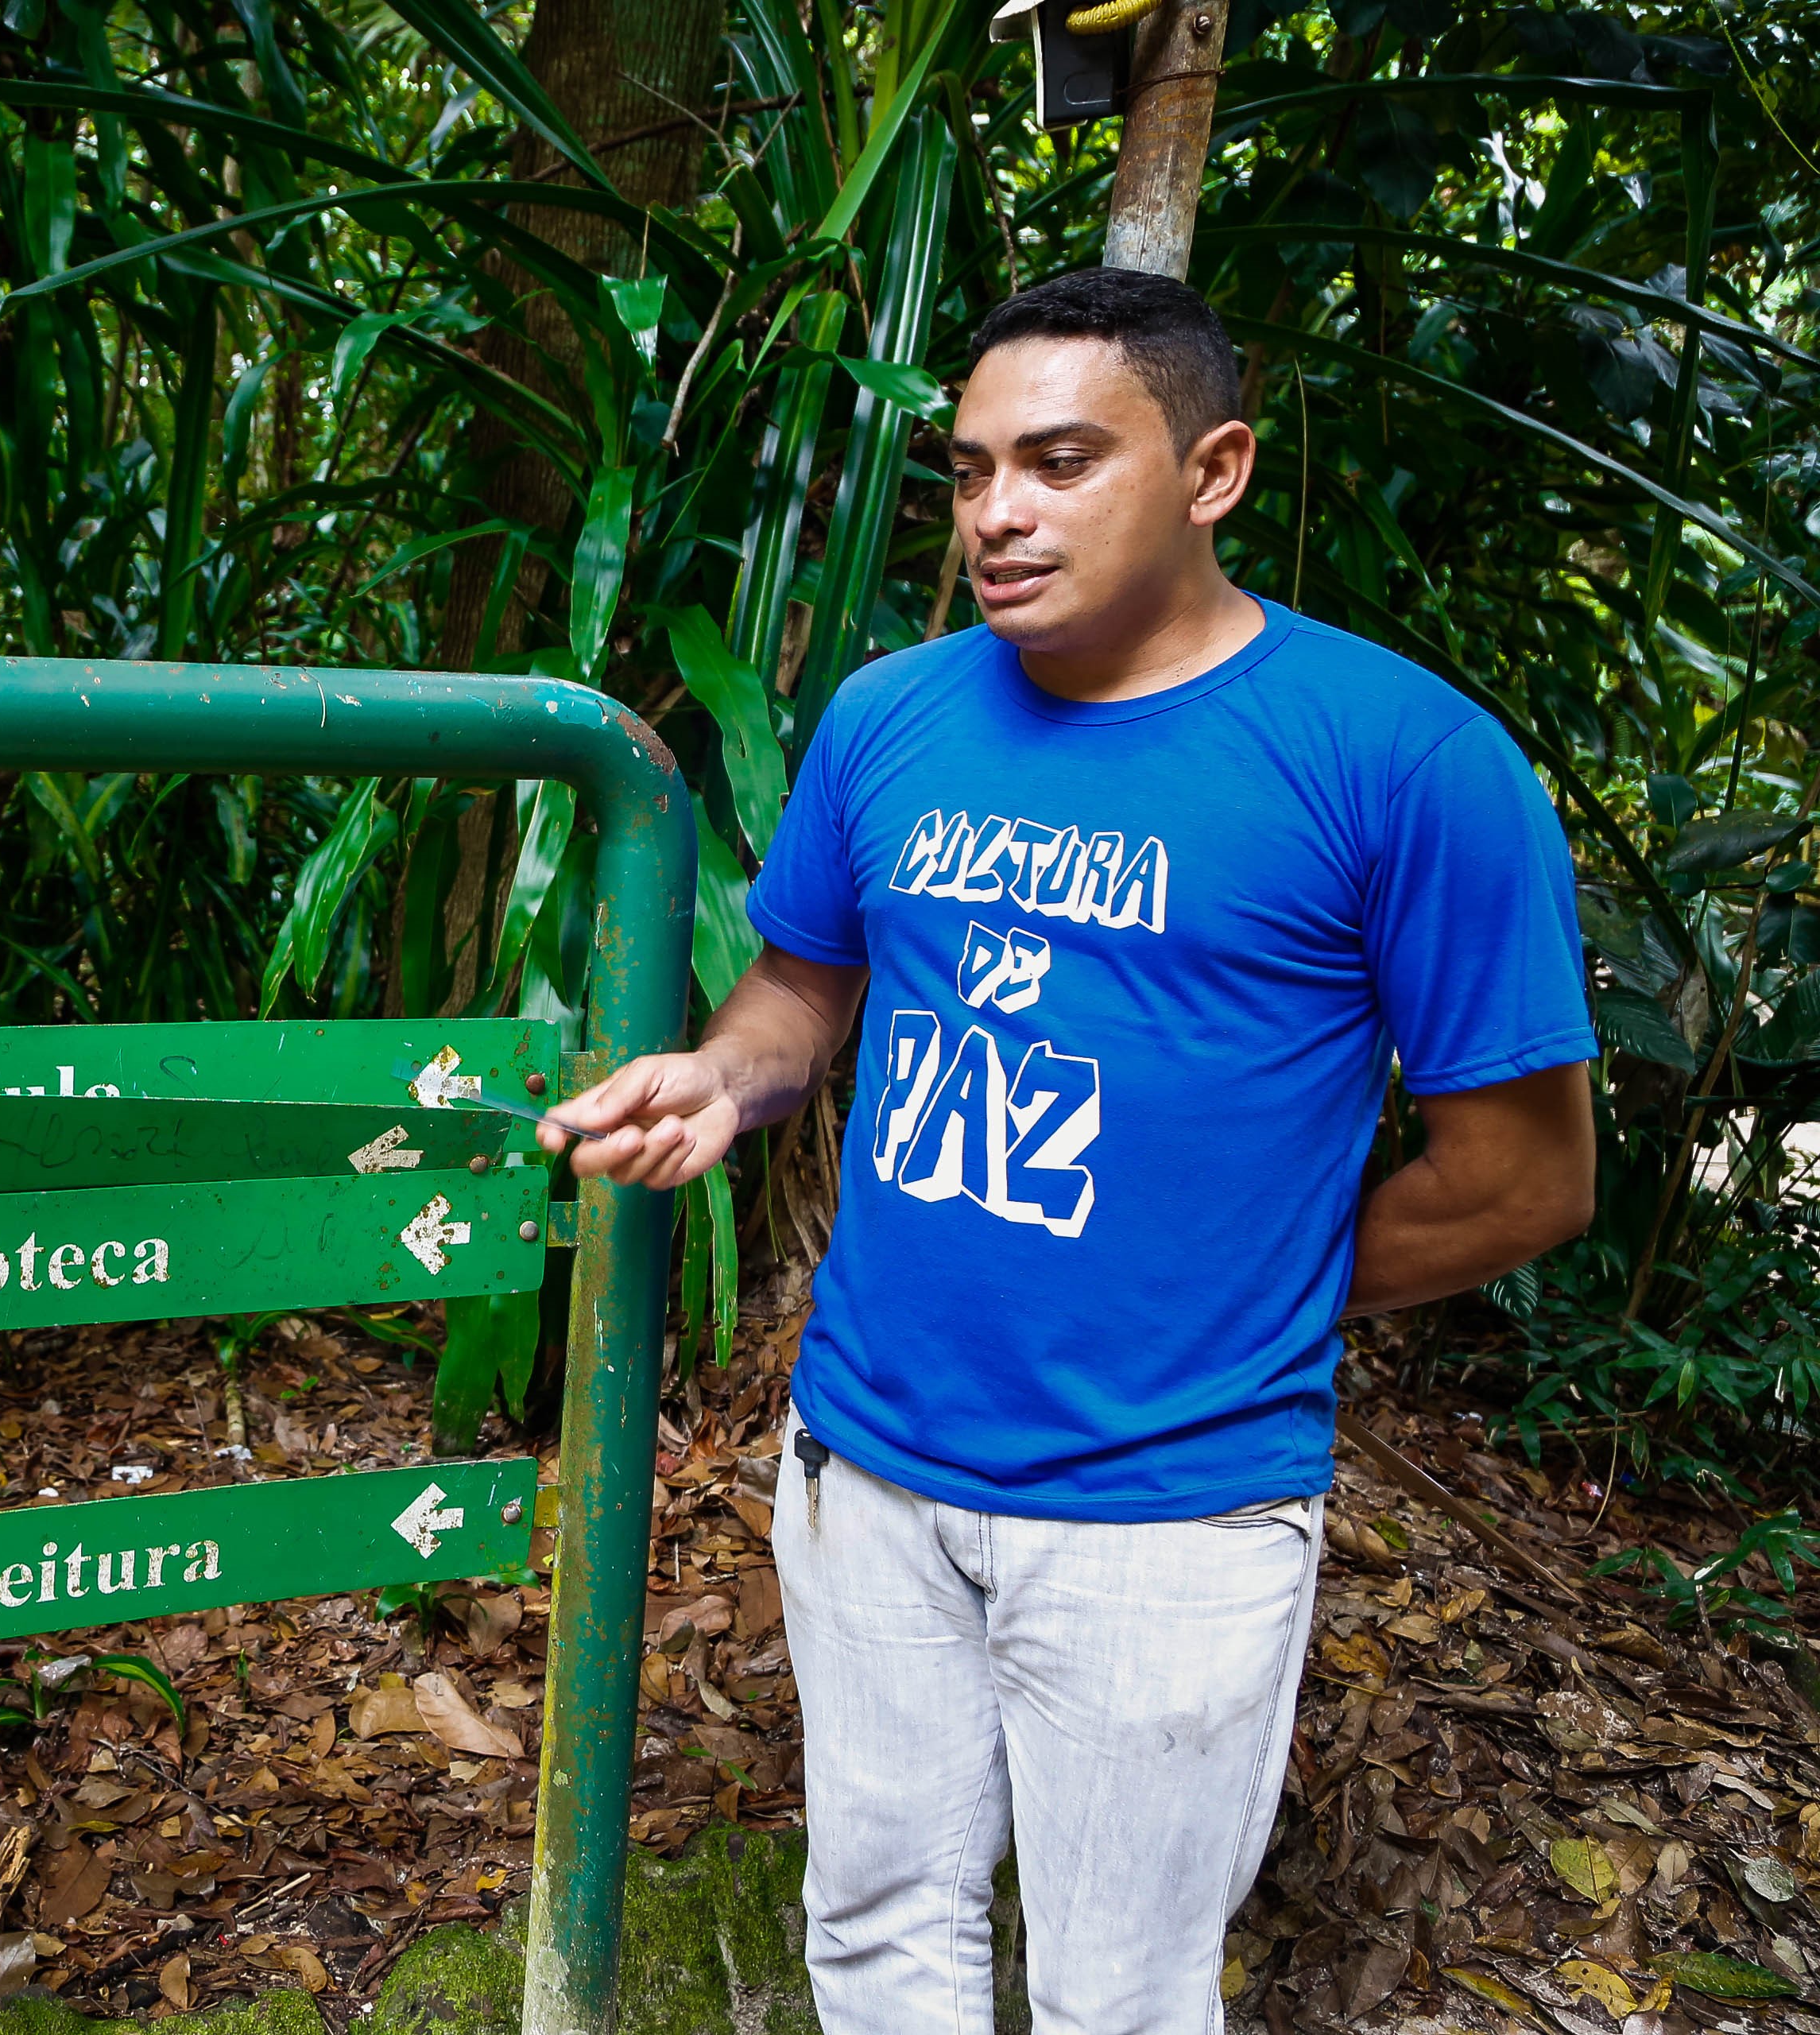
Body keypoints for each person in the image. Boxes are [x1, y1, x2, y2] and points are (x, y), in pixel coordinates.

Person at [541, 267, 1597, 2033]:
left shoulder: (1405, 760)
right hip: (869, 1458)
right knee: (876, 1929)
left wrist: (1251, 1297)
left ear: (1213, 471)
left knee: (1121, 1995)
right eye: (970, 472)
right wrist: (725, 1078)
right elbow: (801, 990)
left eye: (1060, 462)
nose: (998, 516)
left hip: (1168, 1505)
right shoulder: (893, 714)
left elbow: (1526, 1176)